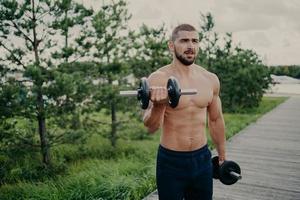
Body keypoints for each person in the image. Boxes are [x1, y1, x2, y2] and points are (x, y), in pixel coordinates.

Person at [143, 24, 226, 200]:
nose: (191, 46)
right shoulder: (158, 78)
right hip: (171, 162)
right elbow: (150, 127)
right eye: (184, 40)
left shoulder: (210, 80)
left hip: (202, 159)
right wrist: (159, 105)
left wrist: (222, 157)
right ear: (171, 46)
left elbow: (216, 120)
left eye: (195, 41)